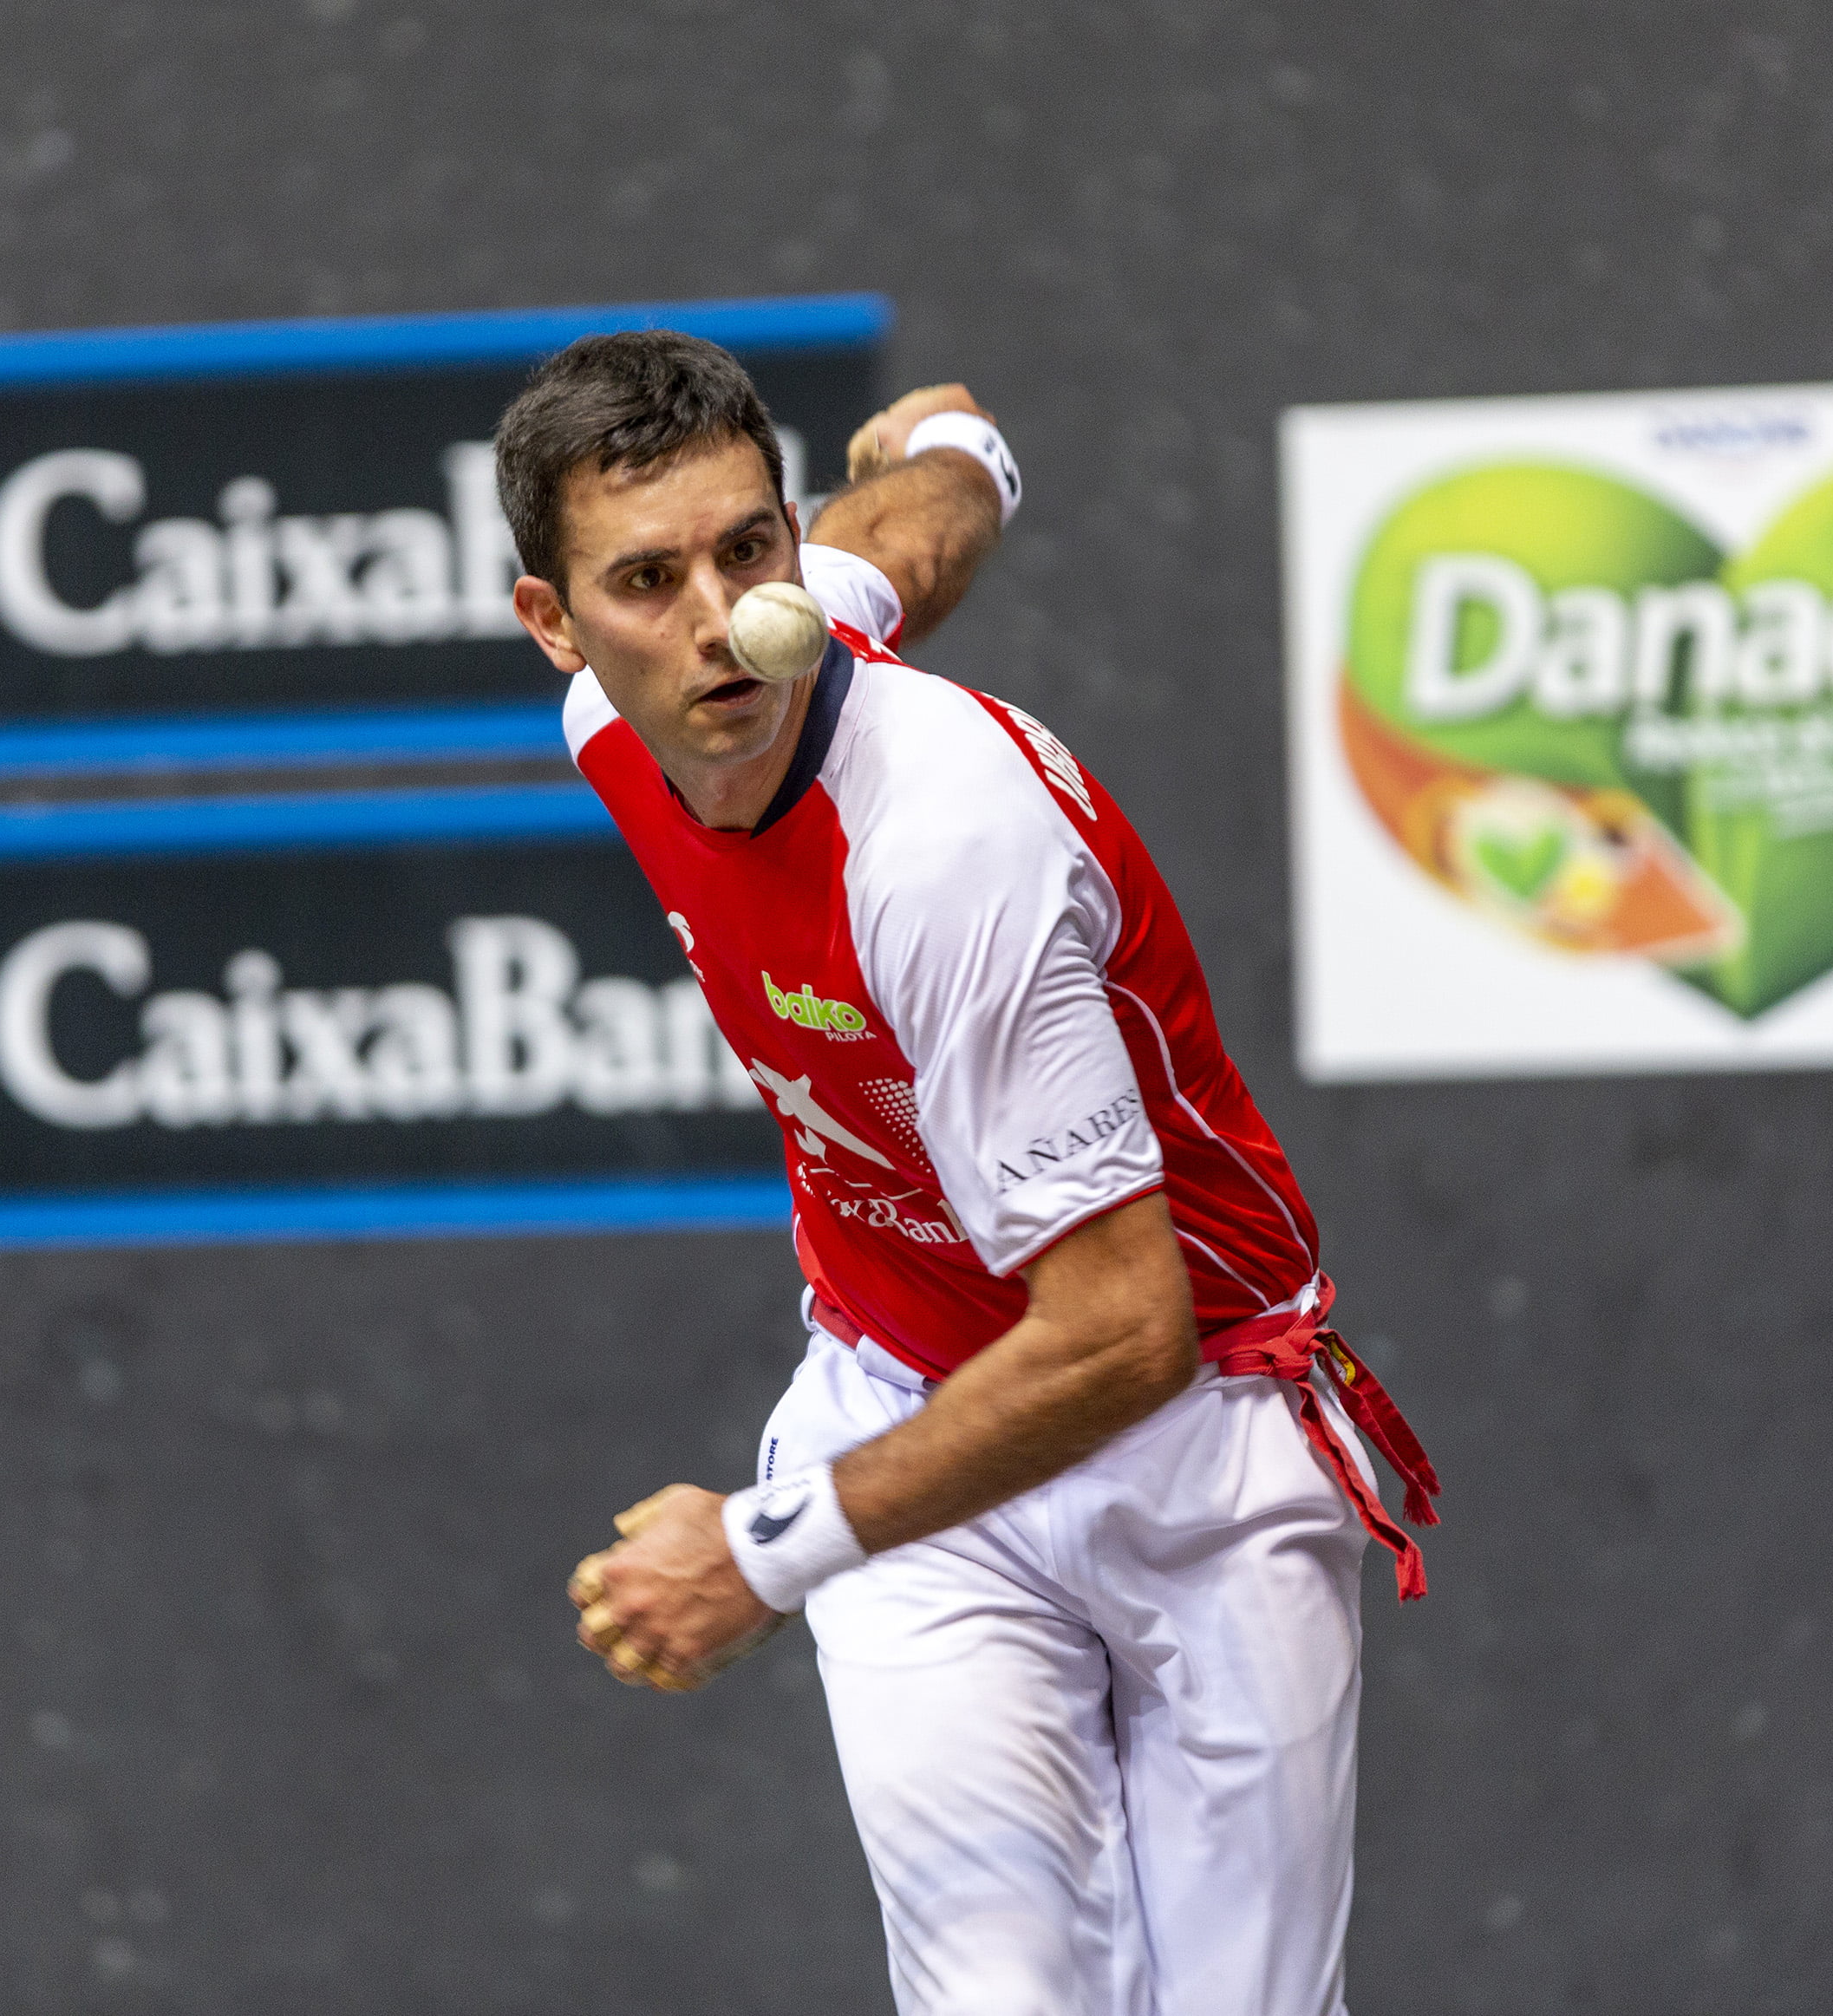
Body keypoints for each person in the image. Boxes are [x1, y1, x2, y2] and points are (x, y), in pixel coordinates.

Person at [498, 331, 1439, 2016]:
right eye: (646, 578)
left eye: (751, 551)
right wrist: (962, 455)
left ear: (786, 540)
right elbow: (903, 543)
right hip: (904, 1410)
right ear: (555, 626)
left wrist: (762, 1549)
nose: (725, 621)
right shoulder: (630, 723)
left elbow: (1122, 1331)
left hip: (1200, 1436)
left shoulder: (942, 842)